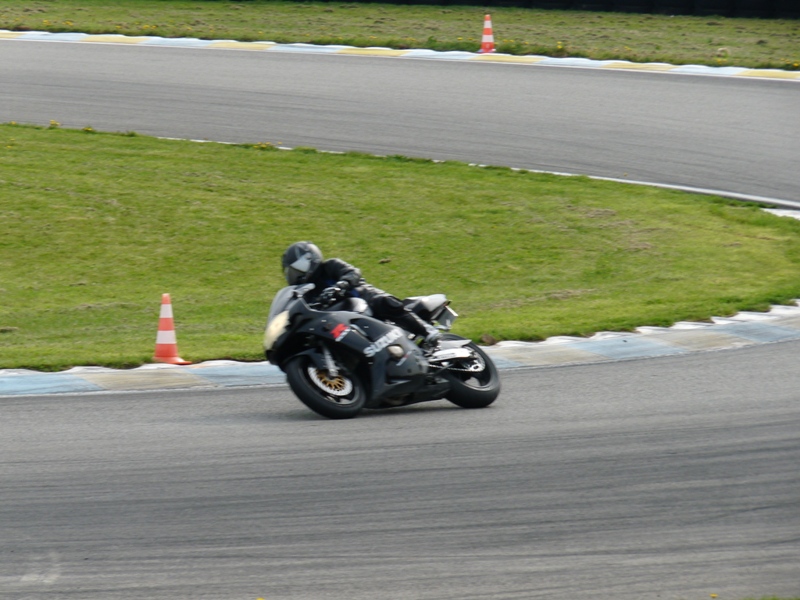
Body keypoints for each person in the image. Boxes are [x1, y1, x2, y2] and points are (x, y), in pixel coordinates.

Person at [281, 241, 442, 347]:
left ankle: (427, 332)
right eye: (291, 272)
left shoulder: (330, 266)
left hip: (362, 298)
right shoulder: (307, 292)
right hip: (342, 318)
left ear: (310, 260)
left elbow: (353, 272)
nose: (295, 276)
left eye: (296, 270)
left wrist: (341, 285)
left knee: (385, 302)